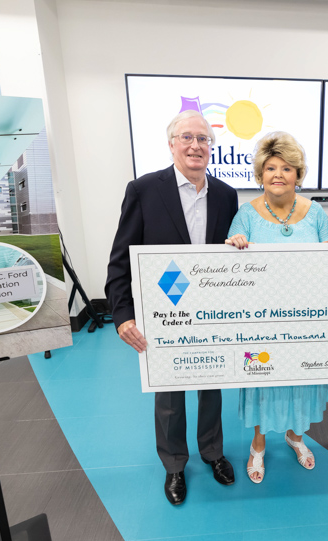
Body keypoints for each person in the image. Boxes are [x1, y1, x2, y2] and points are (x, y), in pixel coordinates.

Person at [105, 110, 238, 505]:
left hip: (211, 311)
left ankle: (213, 453)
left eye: (203, 139)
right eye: (187, 138)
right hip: (163, 310)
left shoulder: (227, 195)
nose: (196, 145)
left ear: (211, 147)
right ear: (171, 144)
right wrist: (122, 314)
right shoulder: (144, 190)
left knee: (212, 384)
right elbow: (121, 257)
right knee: (169, 391)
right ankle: (174, 465)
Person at [225, 131, 328, 483]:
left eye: (287, 168)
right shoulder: (245, 215)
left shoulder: (316, 214)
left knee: (300, 379)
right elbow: (229, 268)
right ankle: (258, 444)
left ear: (298, 175)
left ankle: (295, 436)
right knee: (263, 378)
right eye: (271, 168)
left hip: (306, 318)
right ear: (260, 174)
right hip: (259, 320)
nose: (278, 174)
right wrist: (233, 244)